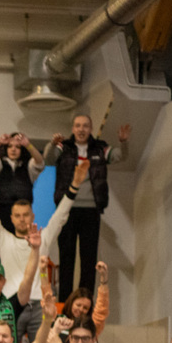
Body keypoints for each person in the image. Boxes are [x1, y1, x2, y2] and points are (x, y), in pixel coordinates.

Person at [0, 154, 80, 300]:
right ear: (11, 219)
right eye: (18, 216)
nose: (22, 219)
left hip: (38, 301)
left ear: (33, 217)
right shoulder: (3, 239)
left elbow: (60, 216)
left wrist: (75, 185)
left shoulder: (43, 238)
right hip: (10, 302)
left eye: (26, 215)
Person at [44, 116, 131, 295]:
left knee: (88, 260)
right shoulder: (64, 147)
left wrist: (123, 142)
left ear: (91, 128)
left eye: (85, 126)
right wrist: (52, 144)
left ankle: (85, 305)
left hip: (91, 210)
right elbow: (49, 159)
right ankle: (65, 306)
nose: (81, 129)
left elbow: (120, 156)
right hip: (66, 210)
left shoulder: (100, 148)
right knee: (66, 258)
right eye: (77, 125)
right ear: (73, 128)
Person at [0, 132, 47, 222]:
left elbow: (40, 163)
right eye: (10, 146)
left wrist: (28, 145)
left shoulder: (28, 166)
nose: (13, 149)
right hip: (2, 210)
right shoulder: (0, 164)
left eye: (17, 147)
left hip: (24, 212)